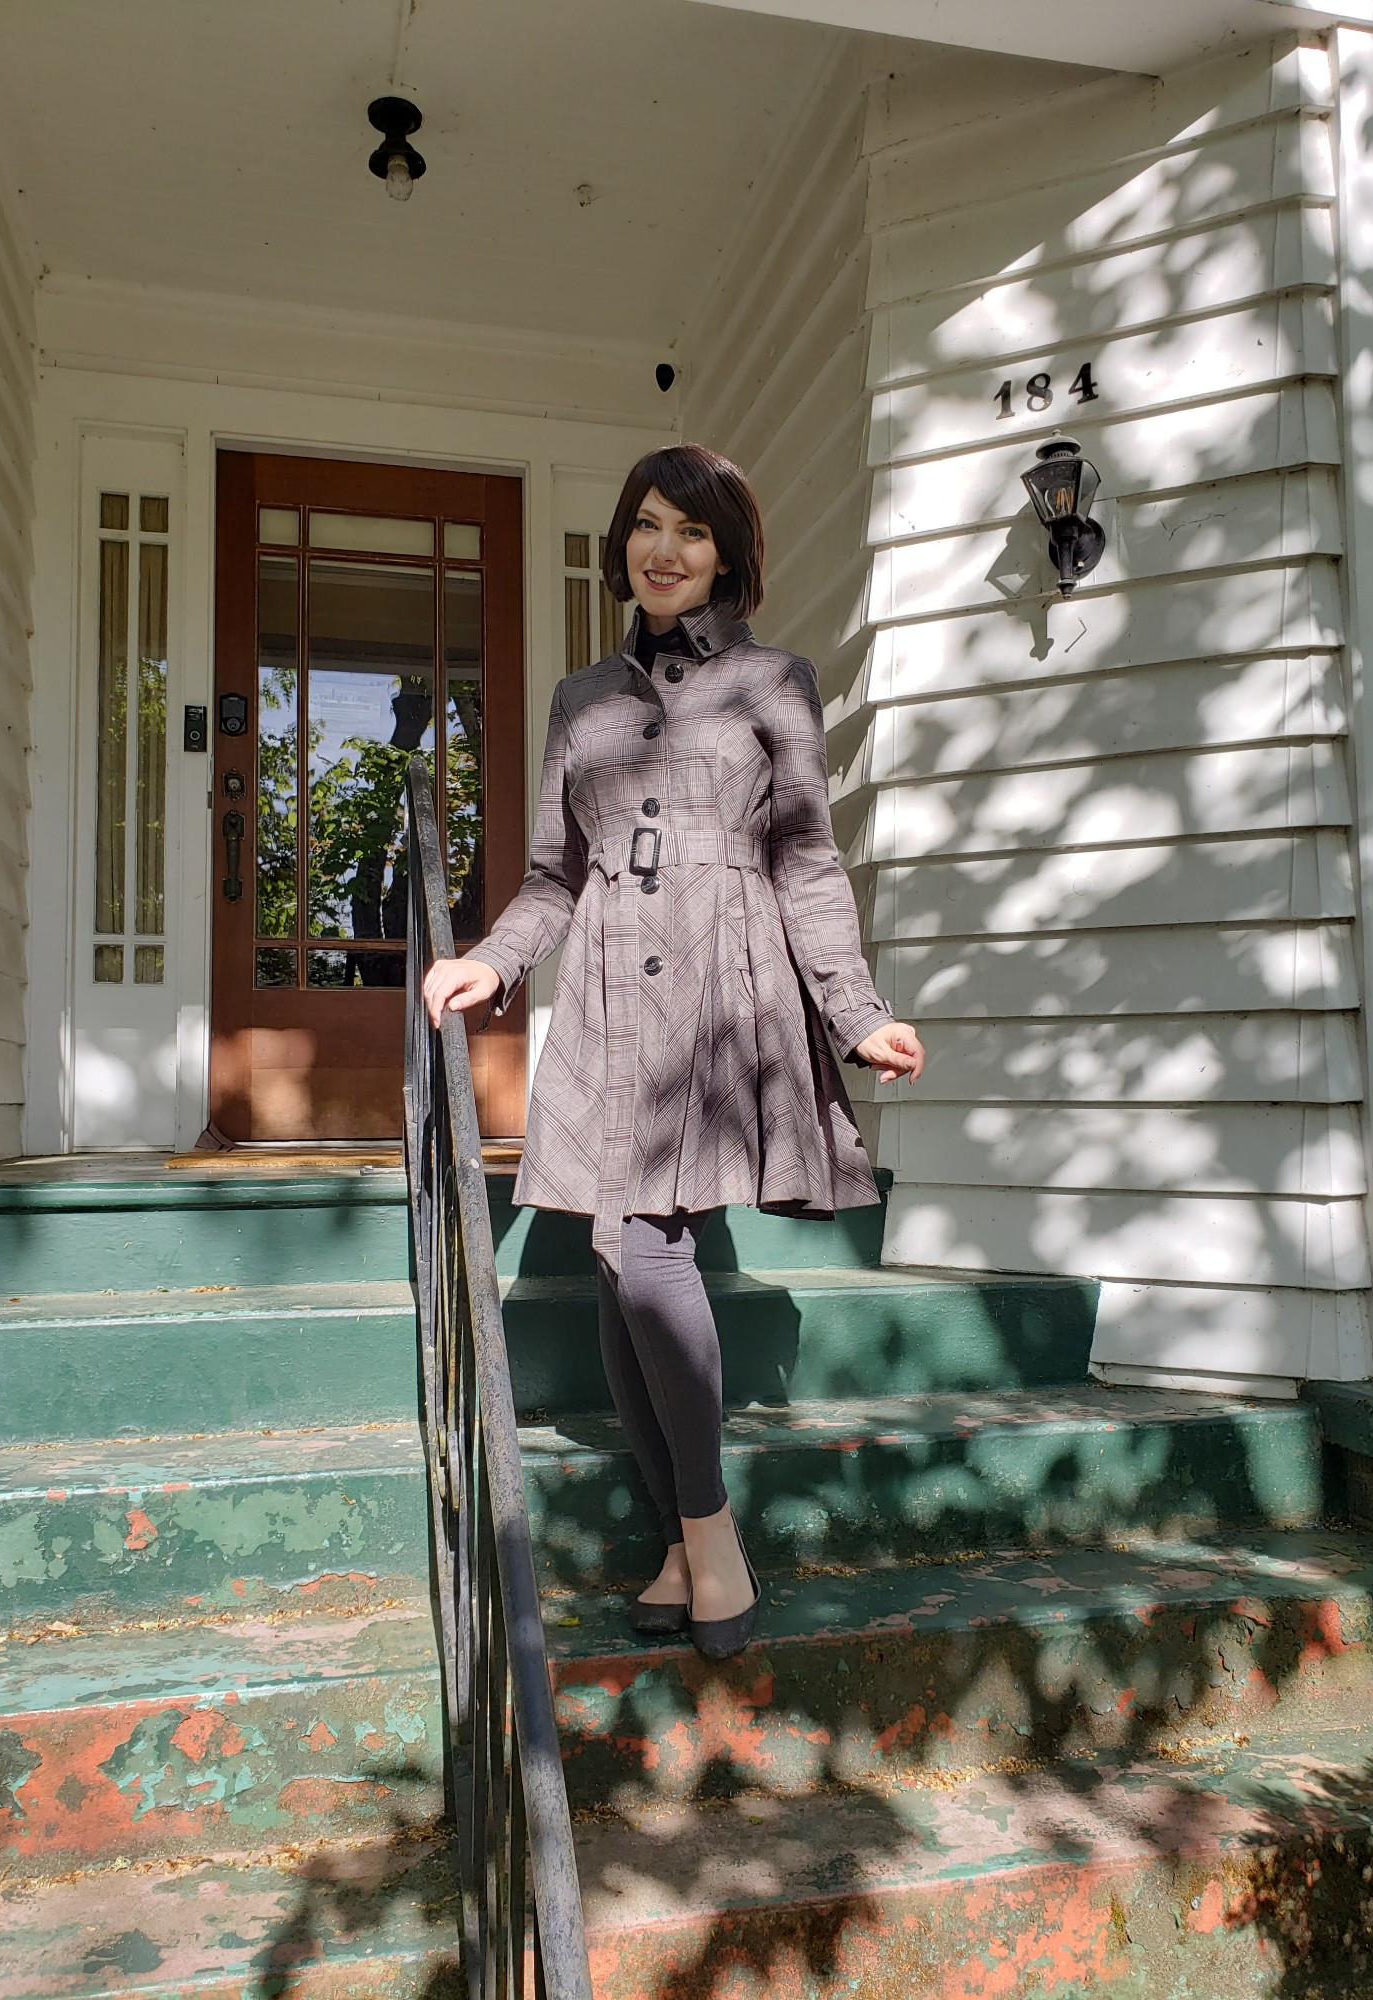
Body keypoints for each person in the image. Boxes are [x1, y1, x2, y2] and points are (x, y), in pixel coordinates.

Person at [423, 444, 925, 1659]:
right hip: (604, 994)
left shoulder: (774, 682)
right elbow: (555, 872)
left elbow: (806, 857)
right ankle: (688, 1539)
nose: (664, 549)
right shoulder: (580, 698)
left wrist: (854, 1012)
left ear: (729, 553)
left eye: (690, 532)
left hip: (720, 991)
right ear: (621, 543)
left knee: (635, 1246)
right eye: (646, 526)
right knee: (616, 1256)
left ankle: (704, 1533)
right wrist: (493, 958)